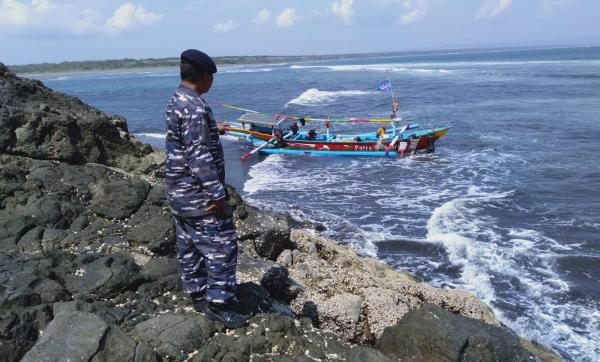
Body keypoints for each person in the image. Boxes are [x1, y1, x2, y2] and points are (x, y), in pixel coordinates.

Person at [165, 49, 247, 329]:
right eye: (211, 76)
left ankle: (198, 295)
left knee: (189, 246)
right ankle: (219, 304)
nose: (212, 81)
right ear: (203, 76)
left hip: (179, 192)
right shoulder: (196, 108)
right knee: (221, 247)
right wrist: (217, 195)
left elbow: (187, 139)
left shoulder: (177, 99)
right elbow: (198, 156)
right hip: (199, 195)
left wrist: (214, 128)